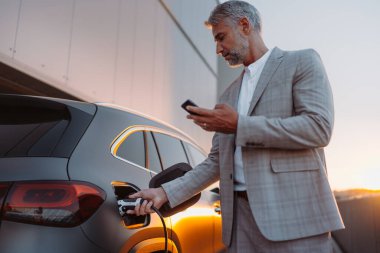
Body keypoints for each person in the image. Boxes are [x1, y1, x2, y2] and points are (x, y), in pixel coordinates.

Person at [129, 1, 344, 252]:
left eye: (221, 37)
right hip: (239, 224)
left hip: (294, 217)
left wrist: (240, 125)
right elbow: (216, 162)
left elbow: (318, 127)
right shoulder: (228, 95)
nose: (218, 49)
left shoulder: (301, 62)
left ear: (244, 25)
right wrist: (164, 193)